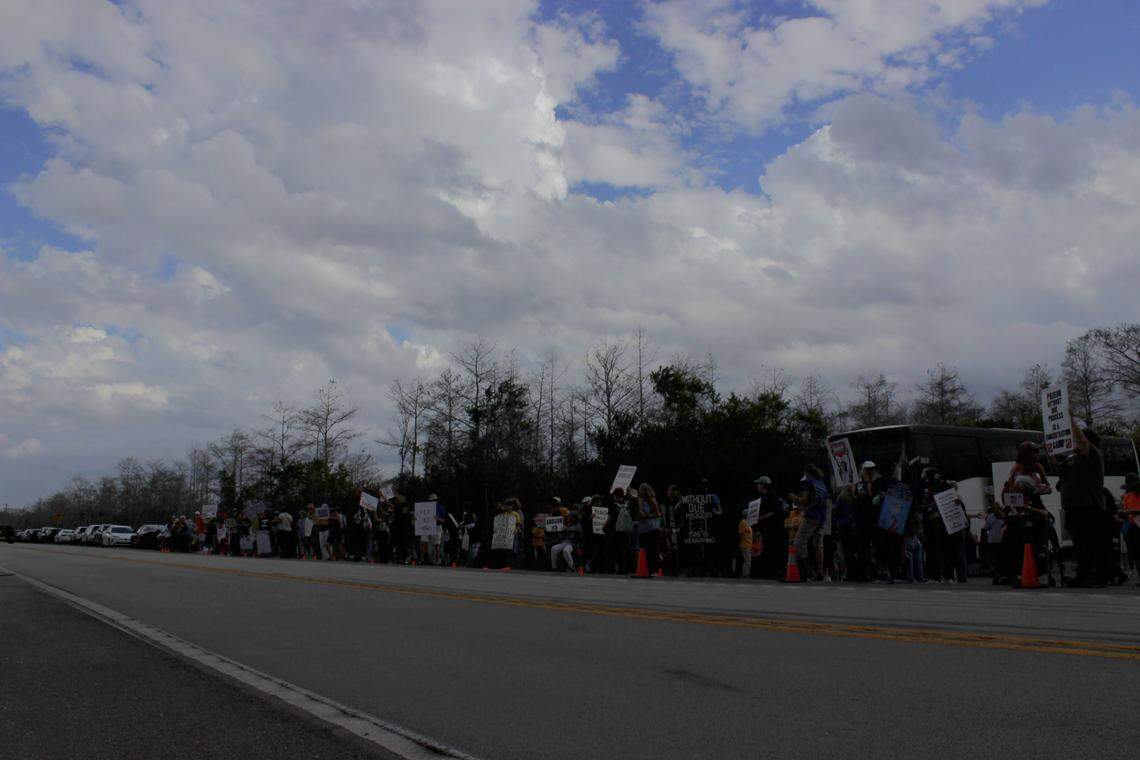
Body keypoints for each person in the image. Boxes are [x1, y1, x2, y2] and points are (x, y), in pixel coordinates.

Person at [1054, 418, 1107, 587]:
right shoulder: (1072, 459)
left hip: (1089, 507)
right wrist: (1050, 451)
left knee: (1091, 543)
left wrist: (1069, 419)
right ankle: (1083, 575)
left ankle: (1098, 576)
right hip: (1073, 507)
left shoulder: (1093, 456)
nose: (1074, 442)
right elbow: (1056, 470)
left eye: (1078, 439)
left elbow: (1084, 443)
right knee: (1080, 545)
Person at [789, 465, 829, 581]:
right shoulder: (822, 484)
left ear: (807, 473)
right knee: (818, 546)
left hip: (811, 516)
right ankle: (819, 572)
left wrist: (795, 498)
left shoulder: (808, 482)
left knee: (798, 542)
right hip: (822, 517)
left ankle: (804, 572)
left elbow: (805, 499)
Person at [753, 477, 787, 579]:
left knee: (771, 549)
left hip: (772, 528)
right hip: (764, 527)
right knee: (765, 549)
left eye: (759, 484)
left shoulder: (772, 495)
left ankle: (774, 572)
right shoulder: (762, 497)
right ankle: (767, 571)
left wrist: (761, 517)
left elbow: (776, 511)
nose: (757, 486)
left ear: (764, 485)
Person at [634, 483, 663, 576]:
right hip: (642, 529)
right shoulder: (639, 500)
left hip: (652, 528)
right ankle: (646, 569)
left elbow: (658, 513)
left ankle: (653, 569)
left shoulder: (651, 500)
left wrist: (647, 516)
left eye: (642, 490)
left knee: (651, 550)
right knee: (644, 551)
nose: (641, 492)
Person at [1119, 473, 1140, 585]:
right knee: (1134, 551)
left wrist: (1130, 512)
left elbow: (1133, 511)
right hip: (1133, 526)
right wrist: (1123, 514)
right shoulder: (1127, 496)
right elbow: (1125, 512)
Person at [736, 506, 753, 579]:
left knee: (748, 561)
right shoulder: (743, 522)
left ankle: (745, 574)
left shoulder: (748, 523)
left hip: (748, 545)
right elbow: (740, 534)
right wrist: (739, 544)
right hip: (744, 544)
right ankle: (745, 574)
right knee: (747, 561)